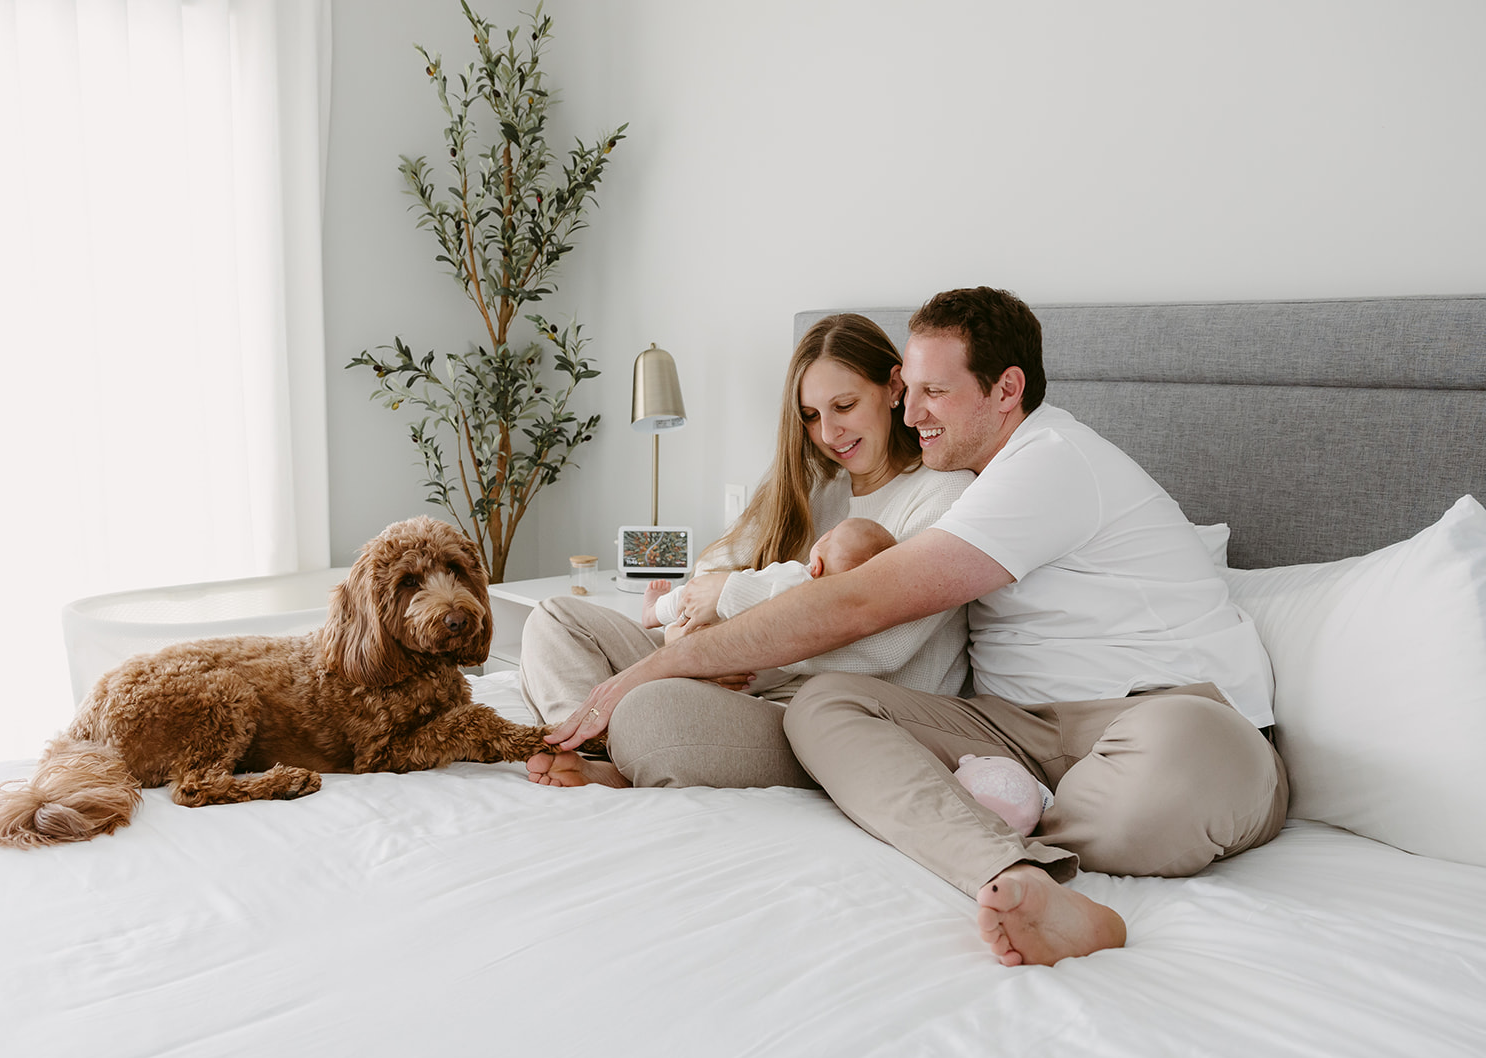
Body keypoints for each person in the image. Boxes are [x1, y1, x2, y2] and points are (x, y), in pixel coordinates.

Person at [548, 287, 1287, 968]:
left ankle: (1010, 834)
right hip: (1016, 733)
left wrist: (654, 668)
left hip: (1163, 718)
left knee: (1165, 783)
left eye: (933, 392)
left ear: (1006, 390)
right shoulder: (973, 486)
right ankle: (1013, 867)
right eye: (910, 389)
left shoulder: (1047, 463)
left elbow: (860, 606)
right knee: (824, 703)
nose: (911, 413)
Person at [518, 313, 975, 789]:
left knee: (650, 716)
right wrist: (684, 639)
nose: (829, 433)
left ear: (894, 386)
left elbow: (882, 647)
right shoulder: (817, 484)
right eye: (812, 416)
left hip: (828, 718)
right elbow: (714, 567)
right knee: (553, 619)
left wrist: (718, 651)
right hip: (746, 679)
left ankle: (612, 750)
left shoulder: (944, 493)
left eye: (845, 405)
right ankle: (586, 750)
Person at [642, 517, 898, 695]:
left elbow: (741, 594)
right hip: (747, 682)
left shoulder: (798, 576)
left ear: (817, 564)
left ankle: (653, 612)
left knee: (688, 592)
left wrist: (726, 589)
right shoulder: (833, 627)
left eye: (828, 537)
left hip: (709, 638)